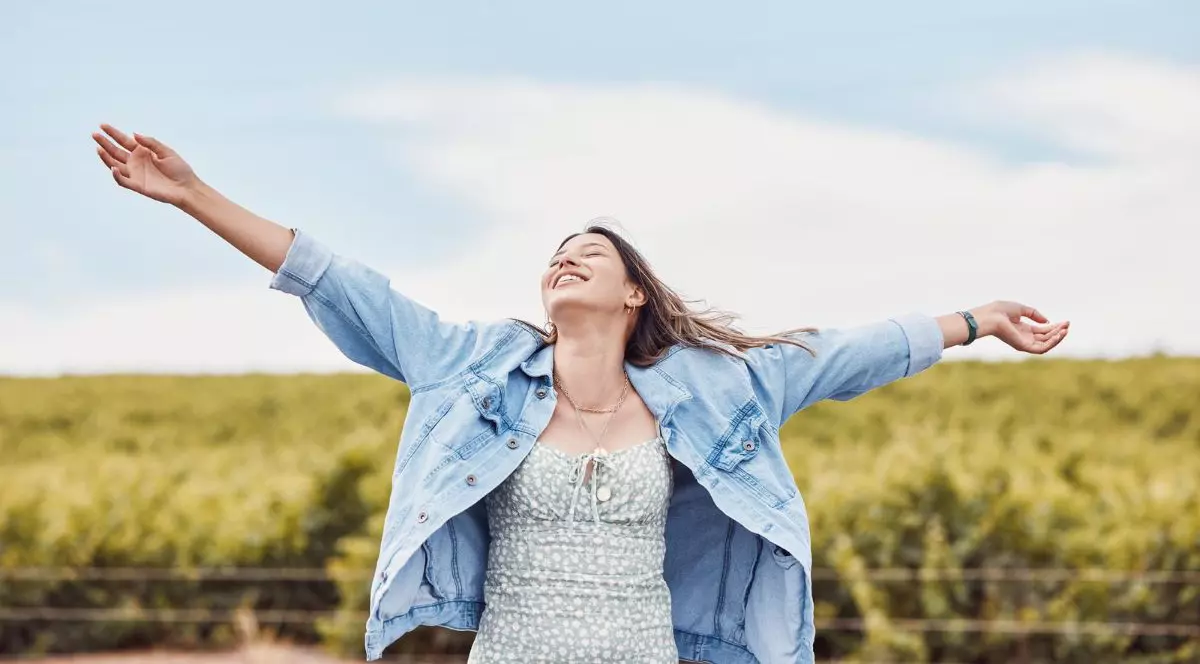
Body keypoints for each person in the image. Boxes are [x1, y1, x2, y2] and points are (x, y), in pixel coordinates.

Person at [92, 124, 1069, 664]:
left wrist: (975, 319)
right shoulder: (470, 364)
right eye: (559, 251)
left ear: (635, 290)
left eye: (592, 252)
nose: (568, 255)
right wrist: (195, 194)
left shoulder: (718, 388)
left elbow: (842, 351)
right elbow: (342, 282)